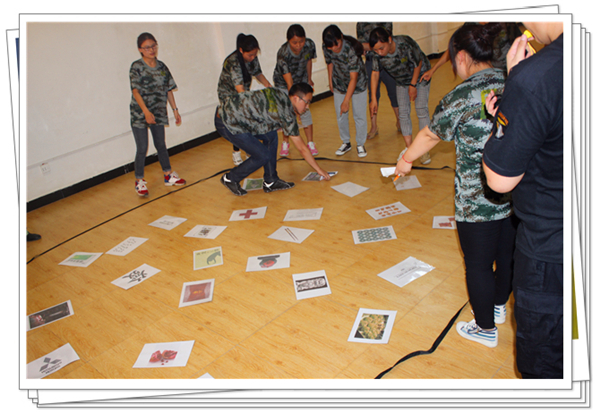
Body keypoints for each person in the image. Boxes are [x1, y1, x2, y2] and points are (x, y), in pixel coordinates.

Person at [395, 23, 517, 349]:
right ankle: (499, 306)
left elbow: (431, 135)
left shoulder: (461, 96)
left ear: (462, 57)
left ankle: (485, 328)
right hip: (515, 195)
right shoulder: (514, 80)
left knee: (477, 265)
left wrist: (406, 160)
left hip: (475, 202)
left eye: (452, 60)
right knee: (506, 255)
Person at [483, 22, 564, 378]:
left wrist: (515, 85)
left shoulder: (536, 77)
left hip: (554, 252)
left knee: (547, 366)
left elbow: (500, 180)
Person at [215, 82, 330, 196]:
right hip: (227, 123)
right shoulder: (286, 113)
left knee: (271, 135)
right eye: (307, 102)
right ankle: (230, 178)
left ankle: (271, 181)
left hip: (239, 119)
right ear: (296, 98)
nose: (307, 107)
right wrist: (319, 169)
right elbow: (302, 148)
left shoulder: (280, 94)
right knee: (263, 155)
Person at [129, 32, 185, 197]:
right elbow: (135, 91)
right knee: (142, 148)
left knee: (161, 144)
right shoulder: (136, 67)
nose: (151, 50)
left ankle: (168, 175)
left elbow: (168, 89)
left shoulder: (162, 67)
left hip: (159, 112)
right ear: (140, 49)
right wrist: (146, 112)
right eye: (147, 47)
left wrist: (175, 110)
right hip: (140, 113)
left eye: (154, 46)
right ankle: (139, 180)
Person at [368, 27, 432, 164]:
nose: (379, 52)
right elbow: (374, 74)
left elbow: (418, 62)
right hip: (401, 81)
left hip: (421, 77)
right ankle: (409, 148)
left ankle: (424, 149)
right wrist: (373, 98)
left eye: (381, 48)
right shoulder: (376, 55)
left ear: (389, 40)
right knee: (403, 113)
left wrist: (413, 85)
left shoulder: (405, 43)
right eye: (376, 50)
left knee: (421, 110)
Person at [217, 33, 273, 166]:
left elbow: (258, 73)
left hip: (242, 93)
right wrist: (251, 104)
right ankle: (236, 153)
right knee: (238, 122)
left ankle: (249, 149)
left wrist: (268, 86)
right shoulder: (233, 62)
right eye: (250, 55)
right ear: (241, 50)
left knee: (246, 121)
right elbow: (239, 89)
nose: (253, 58)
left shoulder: (252, 57)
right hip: (229, 96)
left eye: (255, 54)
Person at [322, 25, 369, 158]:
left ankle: (360, 144)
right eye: (331, 47)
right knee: (341, 115)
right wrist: (331, 81)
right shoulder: (326, 47)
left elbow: (353, 78)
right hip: (339, 83)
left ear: (341, 38)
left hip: (358, 83)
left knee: (359, 115)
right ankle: (346, 142)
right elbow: (329, 63)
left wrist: (346, 100)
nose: (334, 49)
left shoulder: (351, 49)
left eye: (337, 45)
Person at [420, 23, 523, 82]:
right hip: (484, 75)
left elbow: (522, 42)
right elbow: (455, 47)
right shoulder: (472, 25)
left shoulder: (506, 23)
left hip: (508, 73)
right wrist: (433, 69)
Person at [273, 24, 319, 157]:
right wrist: (293, 103)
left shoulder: (309, 44)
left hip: (302, 79)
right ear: (288, 41)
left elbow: (308, 60)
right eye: (294, 43)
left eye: (301, 41)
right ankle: (285, 143)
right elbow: (289, 83)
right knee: (287, 112)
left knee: (305, 109)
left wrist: (309, 79)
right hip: (284, 82)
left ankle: (310, 143)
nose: (299, 45)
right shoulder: (283, 53)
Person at [356, 22, 400, 138]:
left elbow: (387, 41)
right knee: (373, 95)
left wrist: (370, 46)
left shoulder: (385, 20)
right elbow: (359, 45)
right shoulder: (361, 23)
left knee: (393, 92)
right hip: (371, 60)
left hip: (387, 60)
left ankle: (399, 120)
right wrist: (373, 47)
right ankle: (374, 126)